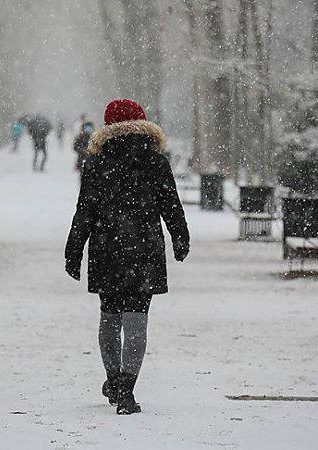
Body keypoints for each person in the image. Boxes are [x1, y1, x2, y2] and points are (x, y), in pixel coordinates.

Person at [65, 99, 190, 415]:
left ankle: (113, 379)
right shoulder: (155, 161)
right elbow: (170, 204)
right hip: (144, 249)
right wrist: (180, 237)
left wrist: (73, 250)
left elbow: (86, 210)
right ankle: (127, 389)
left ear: (107, 127)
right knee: (137, 316)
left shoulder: (96, 162)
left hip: (107, 248)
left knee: (109, 315)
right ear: (144, 124)